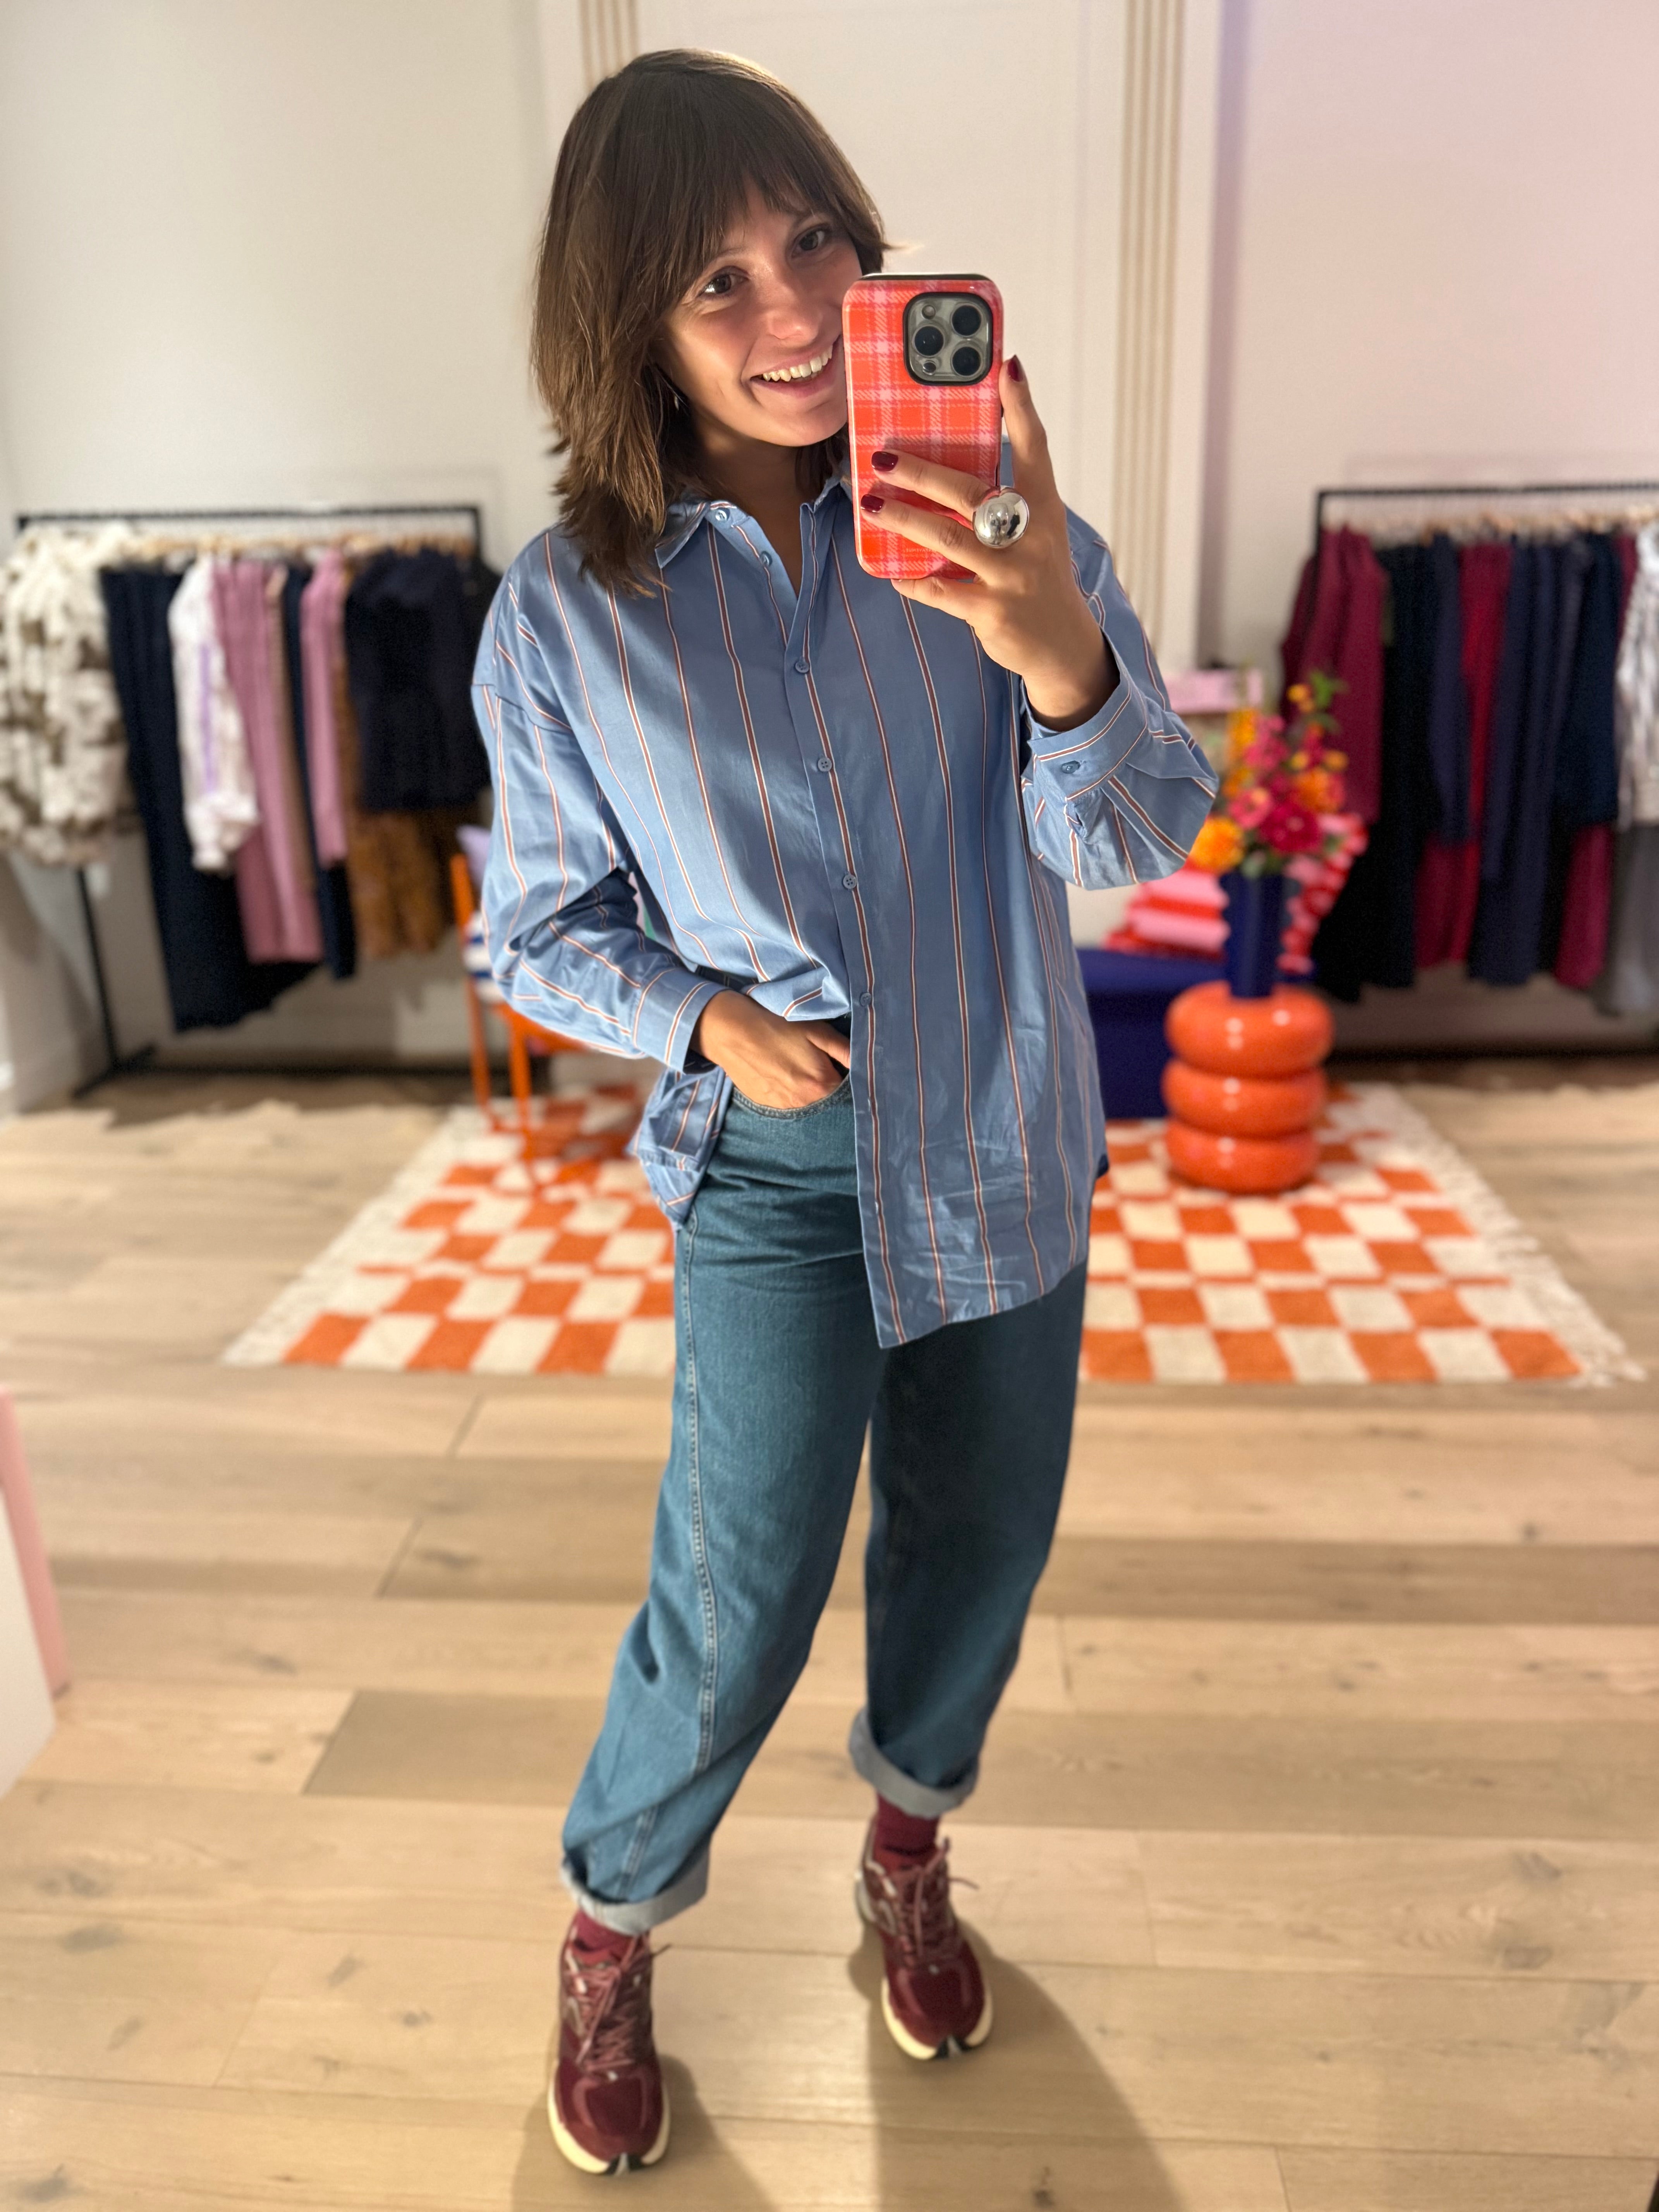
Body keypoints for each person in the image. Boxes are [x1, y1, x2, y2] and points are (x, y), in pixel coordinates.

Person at [473, 48, 1216, 2176]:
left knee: (977, 1551)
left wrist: (1054, 641)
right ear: (626, 321)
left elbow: (1140, 836)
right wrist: (703, 1019)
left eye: (815, 241)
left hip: (1005, 1133)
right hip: (779, 1184)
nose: (794, 309)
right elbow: (535, 928)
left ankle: (911, 1843)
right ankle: (615, 1919)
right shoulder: (568, 618)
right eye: (717, 278)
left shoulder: (1002, 525)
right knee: (737, 1597)